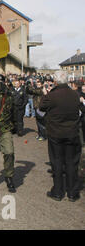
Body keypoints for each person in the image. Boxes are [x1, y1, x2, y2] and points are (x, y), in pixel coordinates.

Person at [39, 71, 84, 202]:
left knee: (57, 162)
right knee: (71, 163)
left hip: (56, 134)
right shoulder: (75, 95)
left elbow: (41, 107)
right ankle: (72, 192)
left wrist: (45, 95)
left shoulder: (52, 96)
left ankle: (58, 192)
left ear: (55, 82)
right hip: (72, 133)